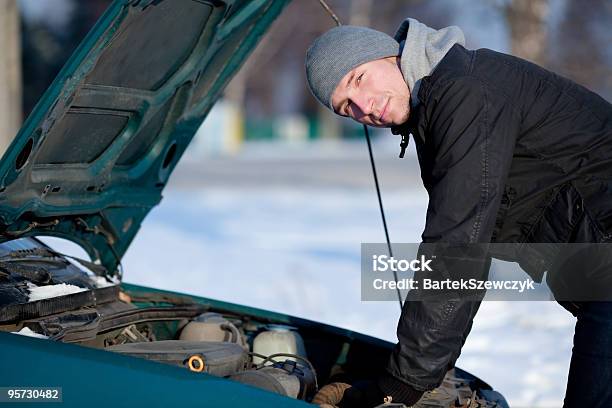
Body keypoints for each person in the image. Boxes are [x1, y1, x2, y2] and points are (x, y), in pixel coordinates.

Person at [304, 18, 612, 408]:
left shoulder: (464, 92)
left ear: (389, 55)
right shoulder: (442, 100)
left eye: (359, 79)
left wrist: (403, 384)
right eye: (347, 107)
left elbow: (456, 245)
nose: (365, 107)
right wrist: (429, 373)